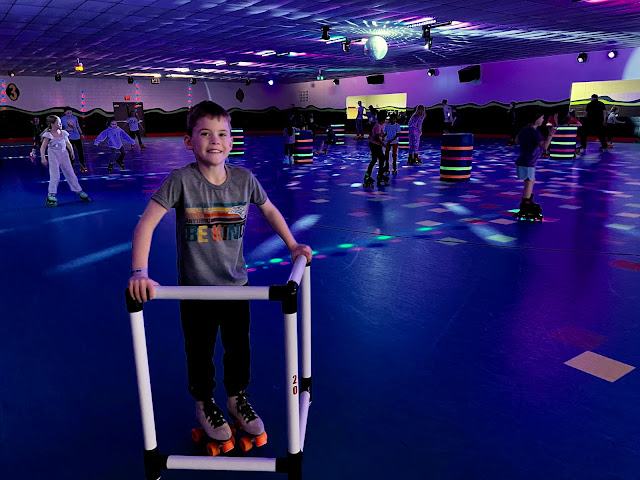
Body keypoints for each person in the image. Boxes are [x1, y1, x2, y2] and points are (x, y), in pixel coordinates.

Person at [127, 100, 312, 448]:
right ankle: (204, 403)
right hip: (195, 291)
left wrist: (292, 245)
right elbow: (146, 225)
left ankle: (236, 399)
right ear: (189, 141)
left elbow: (270, 210)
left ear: (231, 141)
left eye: (222, 134)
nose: (215, 140)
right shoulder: (181, 180)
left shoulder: (244, 179)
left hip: (236, 287)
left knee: (238, 349)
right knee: (200, 351)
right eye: (205, 134)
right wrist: (140, 272)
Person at [514, 109, 556, 220]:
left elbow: (517, 140)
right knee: (529, 183)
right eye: (542, 118)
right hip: (529, 162)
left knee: (530, 181)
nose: (543, 120)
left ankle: (527, 201)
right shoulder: (535, 133)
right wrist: (550, 135)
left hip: (522, 160)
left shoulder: (524, 130)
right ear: (536, 119)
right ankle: (525, 204)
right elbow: (544, 146)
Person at [40, 115, 91, 206]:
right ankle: (51, 194)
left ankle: (79, 190)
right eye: (59, 123)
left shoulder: (63, 133)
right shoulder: (48, 135)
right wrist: (43, 157)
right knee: (55, 175)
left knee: (70, 173)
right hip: (53, 156)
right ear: (52, 124)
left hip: (64, 155)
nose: (61, 124)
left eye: (60, 123)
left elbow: (68, 143)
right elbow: (43, 147)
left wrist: (71, 152)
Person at [363, 110, 388, 187]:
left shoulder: (378, 125)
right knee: (381, 159)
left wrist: (383, 136)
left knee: (375, 159)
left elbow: (378, 135)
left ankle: (369, 175)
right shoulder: (378, 125)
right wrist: (384, 145)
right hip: (375, 145)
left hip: (375, 144)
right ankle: (379, 174)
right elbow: (377, 138)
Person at [61, 107, 88, 172]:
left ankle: (82, 163)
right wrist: (67, 129)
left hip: (77, 137)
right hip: (69, 138)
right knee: (71, 151)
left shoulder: (75, 118)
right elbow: (60, 128)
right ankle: (71, 164)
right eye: (68, 113)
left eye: (70, 113)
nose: (69, 114)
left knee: (80, 151)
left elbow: (78, 126)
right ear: (65, 113)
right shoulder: (62, 119)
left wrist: (81, 134)